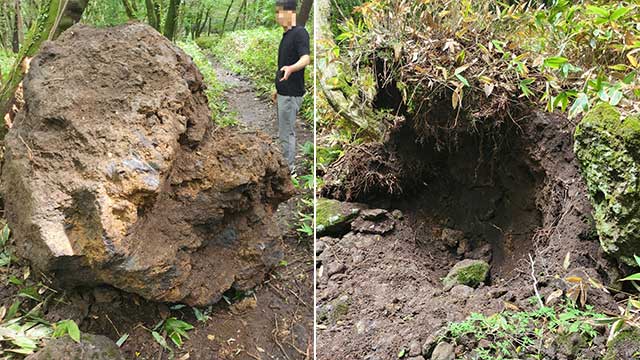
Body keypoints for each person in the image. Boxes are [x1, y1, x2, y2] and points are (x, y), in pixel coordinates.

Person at [273, 0, 310, 174]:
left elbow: (305, 59)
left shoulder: (299, 33)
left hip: (291, 93)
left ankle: (289, 170)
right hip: (284, 92)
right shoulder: (286, 35)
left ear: (290, 13)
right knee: (284, 130)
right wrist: (277, 88)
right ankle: (286, 165)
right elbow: (283, 63)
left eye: (280, 13)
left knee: (287, 133)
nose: (277, 17)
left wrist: (291, 69)